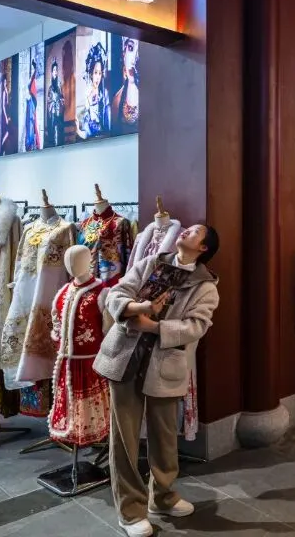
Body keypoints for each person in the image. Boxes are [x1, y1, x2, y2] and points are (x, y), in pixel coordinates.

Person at [93, 225, 221, 537]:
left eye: (194, 232)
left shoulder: (206, 287)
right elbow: (116, 294)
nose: (185, 231)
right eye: (187, 228)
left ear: (203, 248)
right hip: (125, 358)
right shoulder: (151, 262)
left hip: (165, 366)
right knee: (124, 440)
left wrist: (153, 327)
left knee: (164, 437)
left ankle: (162, 497)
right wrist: (142, 308)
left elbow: (196, 326)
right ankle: (130, 510)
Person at [78, 43, 111, 139]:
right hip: (90, 139)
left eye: (100, 73)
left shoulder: (104, 94)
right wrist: (78, 130)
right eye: (95, 73)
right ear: (91, 73)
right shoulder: (86, 95)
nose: (98, 77)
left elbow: (108, 125)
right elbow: (86, 132)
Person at [46, 58, 65, 147]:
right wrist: (52, 104)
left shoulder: (59, 85)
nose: (55, 72)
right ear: (51, 72)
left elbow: (62, 97)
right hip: (53, 110)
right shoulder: (50, 88)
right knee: (53, 126)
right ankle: (53, 144)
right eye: (54, 70)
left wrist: (60, 101)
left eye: (56, 70)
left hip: (59, 109)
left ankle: (59, 144)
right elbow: (48, 100)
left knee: (59, 127)